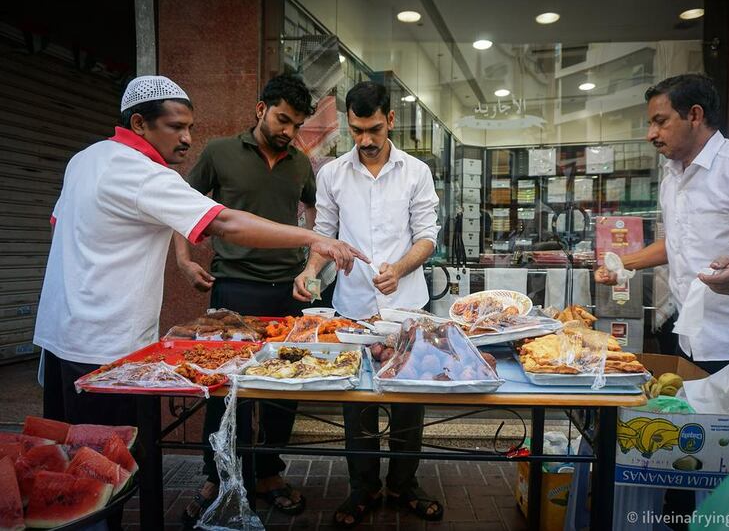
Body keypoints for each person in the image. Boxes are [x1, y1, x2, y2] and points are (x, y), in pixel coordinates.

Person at [34, 74, 365, 445]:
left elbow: (57, 228)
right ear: (140, 124)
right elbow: (224, 221)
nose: (188, 138)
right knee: (107, 462)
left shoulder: (84, 159)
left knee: (66, 456)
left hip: (60, 334)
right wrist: (316, 238)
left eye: (190, 127)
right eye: (176, 127)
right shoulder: (146, 174)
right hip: (105, 343)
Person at [595, 74, 729, 447]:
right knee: (700, 449)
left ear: (694, 115)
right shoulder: (673, 176)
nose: (650, 134)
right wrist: (624, 264)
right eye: (650, 123)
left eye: (660, 121)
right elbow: (676, 243)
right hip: (694, 337)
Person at [293, 81, 442, 527]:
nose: (366, 140)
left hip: (407, 305)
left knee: (408, 400)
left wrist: (398, 268)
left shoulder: (416, 171)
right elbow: (325, 236)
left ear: (390, 120)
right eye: (357, 130)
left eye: (374, 128)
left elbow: (427, 236)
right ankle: (363, 487)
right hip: (352, 306)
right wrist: (309, 271)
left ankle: (402, 484)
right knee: (355, 402)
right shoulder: (332, 174)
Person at [173, 73, 317, 522]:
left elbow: (315, 210)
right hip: (232, 287)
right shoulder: (218, 152)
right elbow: (181, 203)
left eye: (296, 125)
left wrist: (309, 263)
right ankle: (217, 476)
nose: (288, 132)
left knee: (283, 390)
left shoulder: (300, 163)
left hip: (289, 292)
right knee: (226, 389)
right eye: (281, 119)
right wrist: (183, 259)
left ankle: (269, 474)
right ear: (260, 109)